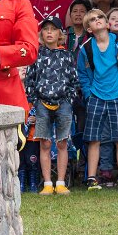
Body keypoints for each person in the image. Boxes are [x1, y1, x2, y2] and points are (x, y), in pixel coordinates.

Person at [77, 9, 118, 191]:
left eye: (101, 17)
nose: (98, 21)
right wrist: (88, 94)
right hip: (96, 96)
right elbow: (83, 75)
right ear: (89, 28)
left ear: (107, 22)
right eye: (93, 20)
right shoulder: (86, 48)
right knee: (94, 139)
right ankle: (92, 178)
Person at [24, 16, 79, 195]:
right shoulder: (36, 54)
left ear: (59, 34)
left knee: (62, 142)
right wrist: (34, 98)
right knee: (45, 144)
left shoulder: (66, 55)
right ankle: (48, 183)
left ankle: (61, 182)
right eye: (46, 29)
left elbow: (73, 80)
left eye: (53, 29)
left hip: (63, 103)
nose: (49, 32)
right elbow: (30, 79)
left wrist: (69, 99)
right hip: (42, 104)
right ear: (41, 33)